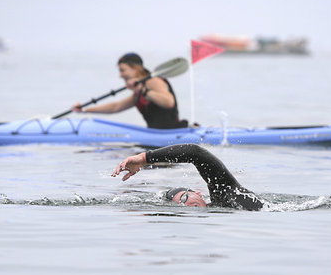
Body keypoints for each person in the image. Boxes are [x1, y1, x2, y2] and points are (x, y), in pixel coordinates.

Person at [111, 143, 264, 210]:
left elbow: (194, 153)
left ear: (198, 194)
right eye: (180, 205)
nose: (186, 205)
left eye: (184, 198)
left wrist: (145, 158)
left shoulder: (227, 194)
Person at [71, 53, 188, 129]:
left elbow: (169, 102)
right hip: (155, 135)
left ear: (136, 69)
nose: (120, 75)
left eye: (123, 70)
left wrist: (143, 90)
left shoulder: (154, 81)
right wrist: (85, 110)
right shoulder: (138, 92)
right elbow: (115, 107)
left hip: (172, 133)